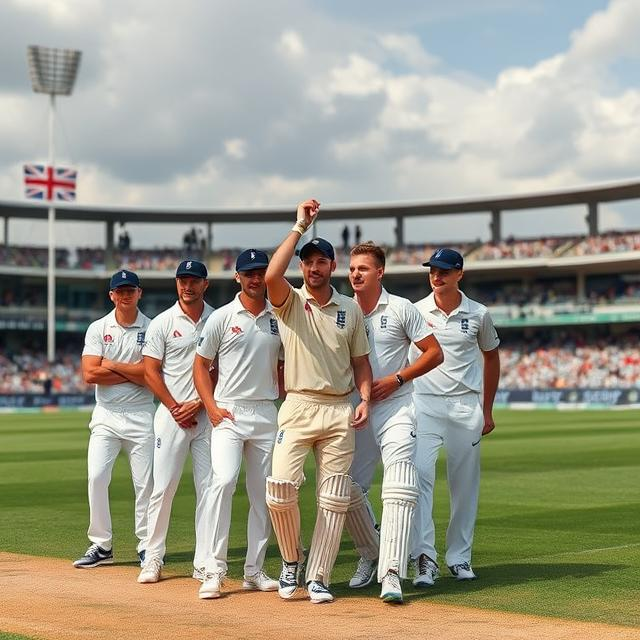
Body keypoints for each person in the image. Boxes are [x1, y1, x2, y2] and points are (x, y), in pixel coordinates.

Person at [265, 199, 372, 604]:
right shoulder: (290, 302)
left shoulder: (349, 309)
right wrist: (299, 226)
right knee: (280, 487)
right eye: (307, 261)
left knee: (334, 496)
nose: (314, 267)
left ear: (332, 266)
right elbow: (273, 273)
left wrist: (364, 398)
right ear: (302, 266)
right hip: (298, 405)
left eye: (321, 261)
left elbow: (361, 363)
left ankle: (319, 576)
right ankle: (291, 560)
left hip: (339, 408)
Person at [345, 242, 443, 603]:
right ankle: (371, 552)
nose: (355, 274)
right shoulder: (340, 310)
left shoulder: (401, 308)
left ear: (380, 272)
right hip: (355, 408)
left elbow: (435, 352)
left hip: (396, 406)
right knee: (347, 487)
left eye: (363, 268)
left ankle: (391, 572)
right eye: (353, 268)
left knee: (400, 481)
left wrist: (398, 378)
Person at [193, 249, 283, 599]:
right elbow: (200, 366)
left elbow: (286, 365)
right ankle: (213, 571)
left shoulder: (279, 315)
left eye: (261, 272)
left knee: (263, 496)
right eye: (249, 273)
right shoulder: (222, 317)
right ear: (238, 278)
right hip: (229, 412)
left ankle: (254, 570)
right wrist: (212, 407)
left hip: (265, 412)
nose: (256, 279)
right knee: (223, 482)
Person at [410, 248, 500, 586]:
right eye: (432, 270)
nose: (437, 276)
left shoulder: (479, 313)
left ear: (459, 274)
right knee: (419, 477)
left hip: (465, 407)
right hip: (425, 404)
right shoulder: (415, 311)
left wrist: (486, 409)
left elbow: (491, 358)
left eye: (445, 270)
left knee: (465, 486)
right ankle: (425, 559)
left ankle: (459, 558)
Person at [137, 260, 214, 584]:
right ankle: (152, 558)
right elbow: (149, 371)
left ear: (204, 284)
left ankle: (204, 561)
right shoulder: (163, 322)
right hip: (171, 418)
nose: (188, 286)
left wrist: (198, 403)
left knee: (209, 489)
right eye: (182, 280)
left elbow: (221, 368)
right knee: (163, 487)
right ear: (176, 283)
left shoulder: (218, 319)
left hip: (206, 415)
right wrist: (173, 407)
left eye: (194, 280)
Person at [73, 270, 154, 569]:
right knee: (96, 477)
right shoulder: (98, 328)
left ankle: (147, 546)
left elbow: (151, 376)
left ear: (139, 293)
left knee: (145, 484)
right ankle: (101, 544)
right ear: (111, 295)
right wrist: (132, 371)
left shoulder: (152, 327)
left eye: (130, 290)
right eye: (119, 291)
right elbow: (90, 374)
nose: (125, 295)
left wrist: (113, 366)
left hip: (141, 414)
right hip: (106, 416)